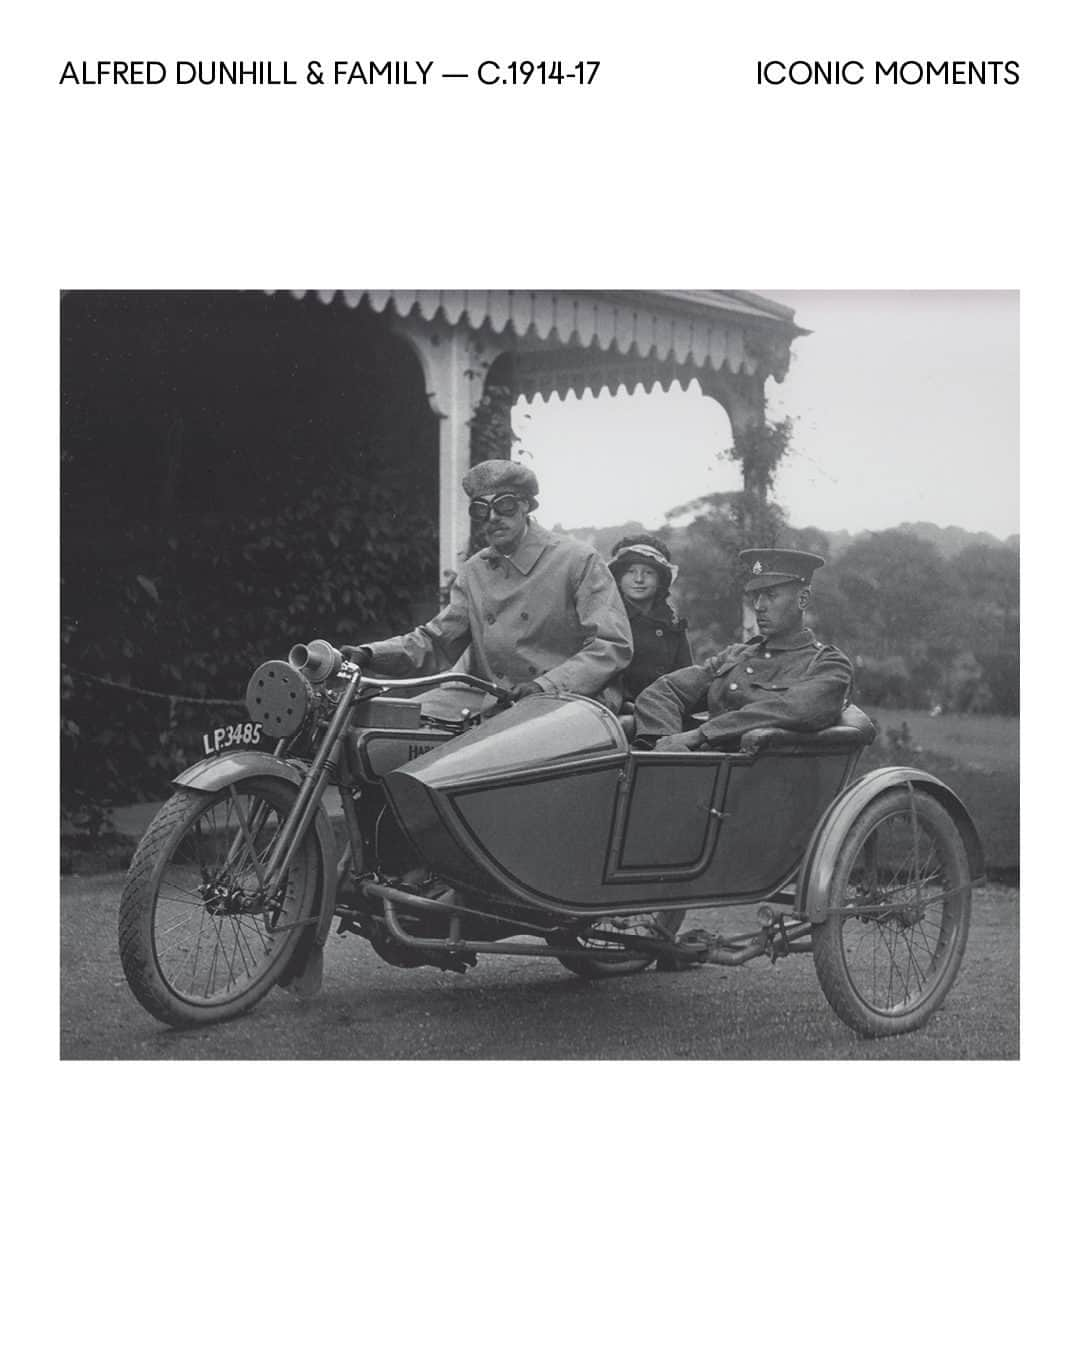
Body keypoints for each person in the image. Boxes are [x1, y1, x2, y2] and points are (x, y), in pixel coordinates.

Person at [343, 459, 632, 710]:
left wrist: (545, 685)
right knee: (395, 726)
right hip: (492, 698)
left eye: (504, 505)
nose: (493, 517)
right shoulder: (474, 571)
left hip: (567, 700)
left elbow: (612, 645)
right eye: (481, 510)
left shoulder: (577, 559)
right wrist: (371, 654)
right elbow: (438, 643)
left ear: (526, 507)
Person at [633, 548, 852, 751]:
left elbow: (799, 709)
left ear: (802, 599)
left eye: (771, 595)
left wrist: (700, 734)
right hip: (701, 773)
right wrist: (665, 745)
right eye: (756, 596)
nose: (759, 606)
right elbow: (665, 691)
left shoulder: (827, 664)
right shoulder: (737, 655)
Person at [607, 535, 692, 701]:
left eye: (648, 572)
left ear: (661, 579)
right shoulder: (608, 620)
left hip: (665, 709)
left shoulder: (672, 624)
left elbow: (686, 677)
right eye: (630, 572)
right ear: (618, 578)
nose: (639, 579)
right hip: (617, 712)